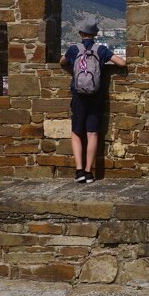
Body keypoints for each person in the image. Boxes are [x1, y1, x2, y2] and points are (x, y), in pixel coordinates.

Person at [60, 20, 126, 183]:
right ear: (95, 35)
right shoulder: (101, 49)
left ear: (81, 34)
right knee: (92, 133)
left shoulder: (74, 49)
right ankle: (89, 172)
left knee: (76, 132)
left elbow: (61, 62)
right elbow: (121, 63)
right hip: (96, 96)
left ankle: (79, 171)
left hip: (79, 96)